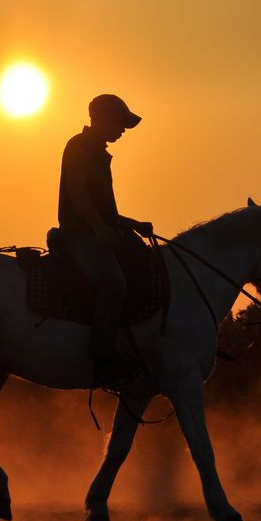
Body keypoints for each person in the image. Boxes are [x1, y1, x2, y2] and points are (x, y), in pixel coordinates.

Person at [58, 94, 154, 387]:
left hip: (98, 232)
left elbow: (104, 208)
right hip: (80, 236)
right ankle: (102, 359)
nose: (123, 130)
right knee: (113, 285)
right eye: (120, 123)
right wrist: (99, 228)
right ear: (100, 119)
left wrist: (132, 224)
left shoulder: (98, 152)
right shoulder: (79, 146)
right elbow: (77, 192)